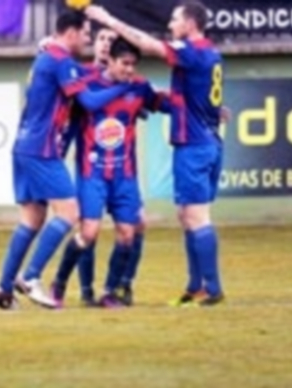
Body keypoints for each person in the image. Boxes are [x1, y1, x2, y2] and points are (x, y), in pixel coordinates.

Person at [86, 0, 226, 306]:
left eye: (176, 20)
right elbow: (197, 96)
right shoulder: (211, 53)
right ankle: (195, 286)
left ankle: (212, 289)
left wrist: (108, 19)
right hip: (209, 142)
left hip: (195, 146)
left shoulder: (192, 51)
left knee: (197, 216)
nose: (171, 25)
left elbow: (148, 45)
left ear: (190, 24)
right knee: (187, 215)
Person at [0, 10, 131, 310]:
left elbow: (78, 79)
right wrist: (123, 86)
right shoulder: (59, 60)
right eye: (87, 34)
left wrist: (101, 71)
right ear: (71, 32)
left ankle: (3, 287)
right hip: (42, 149)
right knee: (69, 213)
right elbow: (89, 100)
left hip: (24, 145)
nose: (89, 40)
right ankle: (31, 277)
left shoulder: (49, 57)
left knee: (32, 219)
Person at [55, 38, 170, 309]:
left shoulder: (139, 87)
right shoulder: (88, 85)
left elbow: (163, 105)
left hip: (124, 175)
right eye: (124, 63)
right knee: (89, 232)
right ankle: (59, 284)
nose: (129, 69)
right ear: (111, 61)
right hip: (91, 172)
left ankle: (110, 291)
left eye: (133, 64)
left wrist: (207, 110)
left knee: (128, 233)